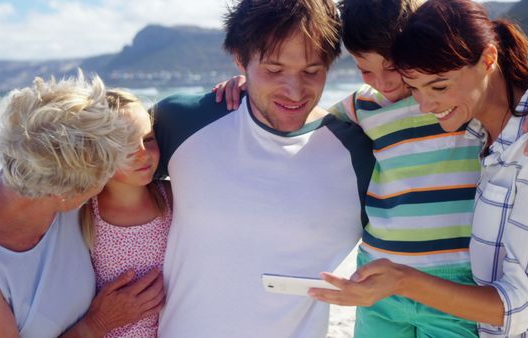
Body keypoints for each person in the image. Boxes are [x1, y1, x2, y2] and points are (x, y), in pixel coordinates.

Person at [214, 0, 528, 336]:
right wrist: (253, 83)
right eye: (365, 70)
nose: (384, 84)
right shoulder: (364, 107)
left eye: (393, 68)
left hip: (456, 282)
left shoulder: (453, 102)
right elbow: (303, 120)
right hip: (376, 275)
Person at [309, 0, 528, 337]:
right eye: (414, 89)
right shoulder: (473, 126)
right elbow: (310, 122)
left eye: (437, 87)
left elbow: (515, 307)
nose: (424, 105)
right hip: (397, 282)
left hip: (479, 300)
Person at [153, 0, 374, 337]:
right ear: (240, 59)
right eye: (273, 70)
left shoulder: (358, 153)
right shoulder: (181, 121)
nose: (295, 91)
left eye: (312, 71)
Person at [0, 73, 165, 337]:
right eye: (106, 172)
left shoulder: (38, 171)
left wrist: (242, 88)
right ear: (68, 192)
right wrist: (97, 324)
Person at [79, 89, 172, 337]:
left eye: (149, 139)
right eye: (126, 146)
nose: (144, 153)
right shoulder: (83, 209)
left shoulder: (171, 197)